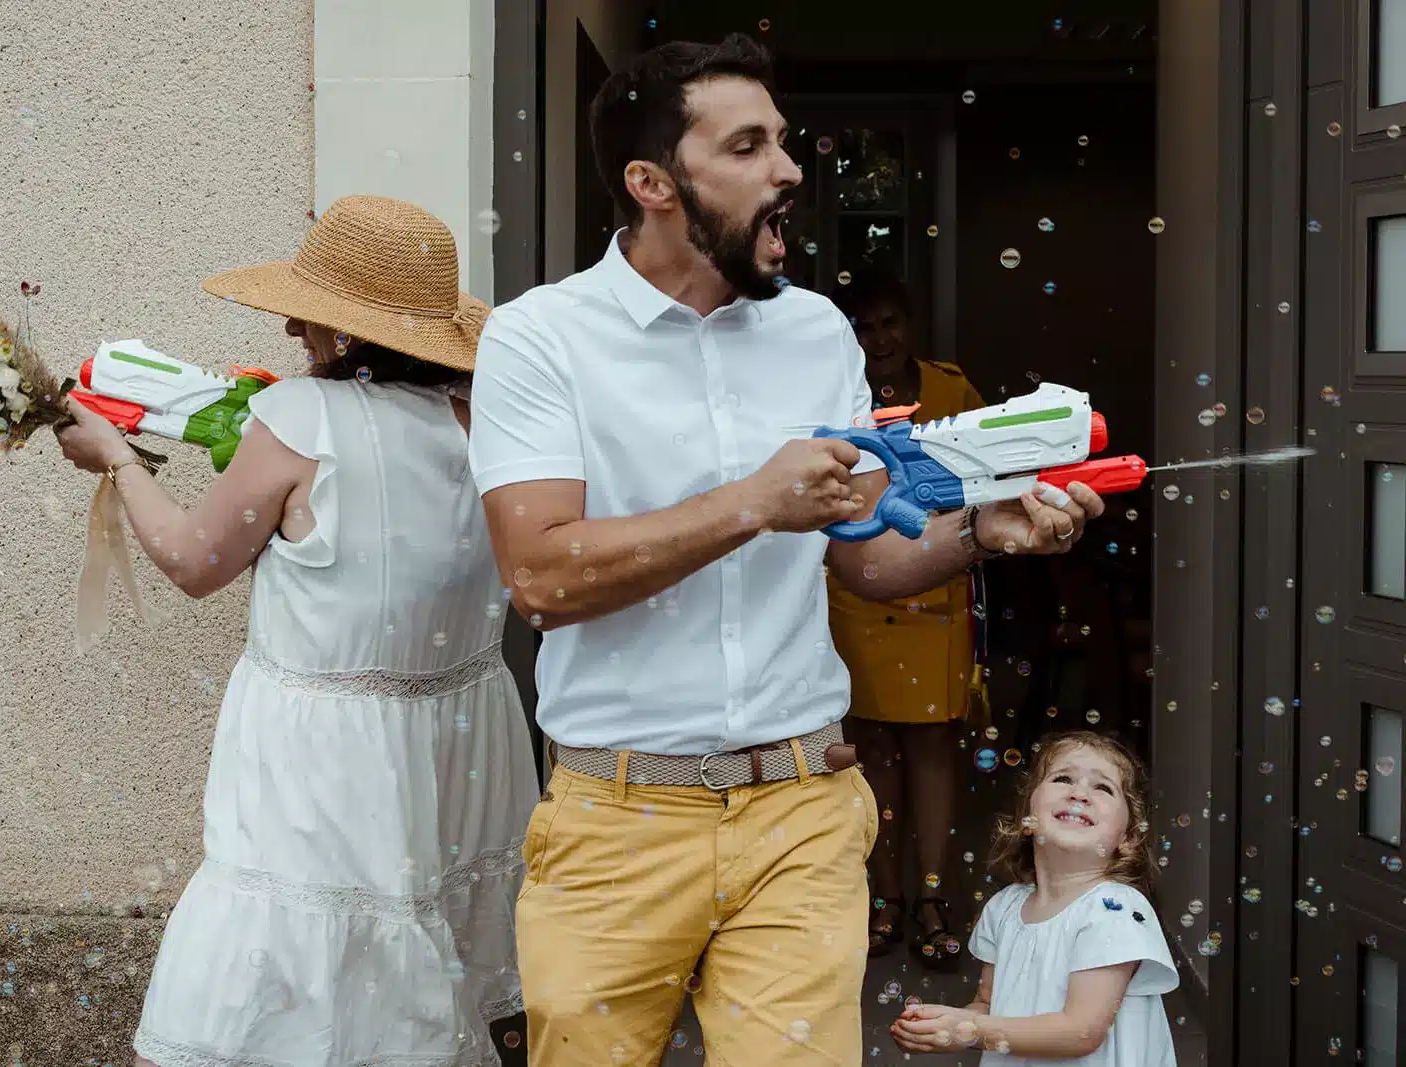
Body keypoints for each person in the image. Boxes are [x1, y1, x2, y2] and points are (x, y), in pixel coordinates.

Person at [467, 33, 1105, 1066]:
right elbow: (542, 573)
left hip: (804, 804)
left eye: (786, 142)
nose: (791, 170)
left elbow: (863, 555)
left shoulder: (816, 331)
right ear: (653, 182)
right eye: (750, 145)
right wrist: (751, 502)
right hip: (615, 818)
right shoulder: (541, 338)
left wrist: (983, 534)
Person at [53, 194, 538, 1067]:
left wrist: (119, 459)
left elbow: (195, 562)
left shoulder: (300, 422)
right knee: (436, 964)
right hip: (462, 740)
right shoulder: (484, 420)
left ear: (348, 331)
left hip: (325, 755)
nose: (287, 328)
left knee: (290, 968)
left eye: (308, 314)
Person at [825, 271, 987, 969]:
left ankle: (930, 896)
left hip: (934, 596)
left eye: (890, 323)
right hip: (859, 592)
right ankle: (883, 895)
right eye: (864, 327)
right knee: (873, 753)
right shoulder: (834, 398)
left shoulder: (951, 391)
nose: (879, 339)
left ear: (911, 326)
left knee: (929, 748)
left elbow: (988, 480)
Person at [891, 731, 1178, 1065]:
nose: (1079, 793)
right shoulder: (1004, 908)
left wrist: (969, 1028)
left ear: (1128, 838)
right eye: (1063, 778)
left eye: (1102, 787)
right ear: (1027, 819)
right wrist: (942, 1027)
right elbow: (986, 1004)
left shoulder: (1114, 909)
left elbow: (1081, 1031)